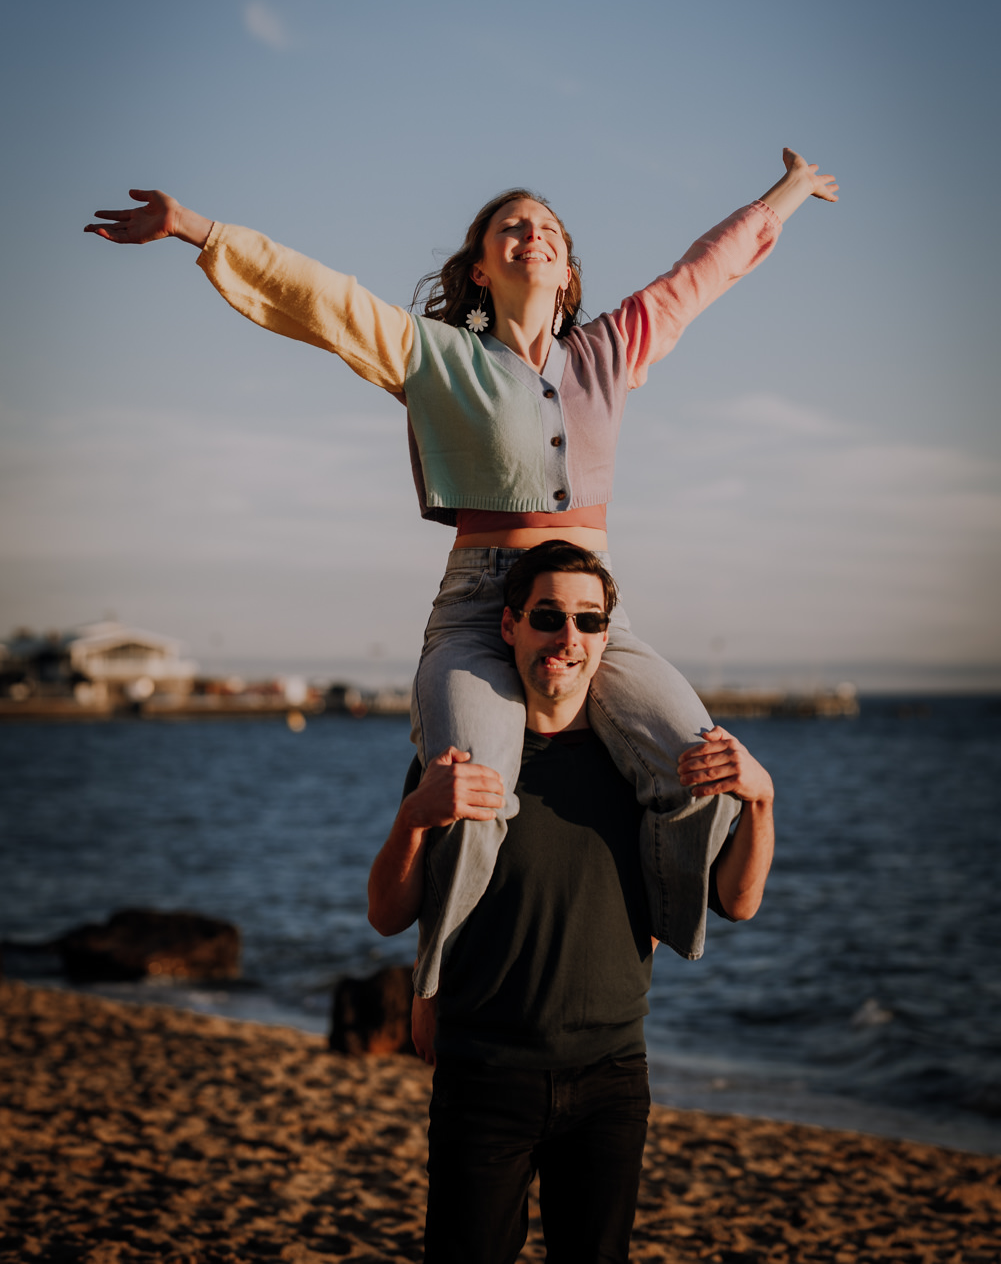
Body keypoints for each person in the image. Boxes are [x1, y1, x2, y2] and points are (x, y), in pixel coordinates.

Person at [85, 147, 833, 993]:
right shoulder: (433, 354)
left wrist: (791, 190)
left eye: (548, 228)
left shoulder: (611, 349)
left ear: (568, 272)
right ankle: (443, 986)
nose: (533, 233)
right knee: (472, 788)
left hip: (594, 613)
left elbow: (705, 270)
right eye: (510, 226)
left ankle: (647, 936)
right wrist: (194, 227)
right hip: (482, 608)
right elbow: (320, 299)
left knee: (700, 763)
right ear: (480, 266)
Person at [367, 540, 776, 1264]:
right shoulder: (460, 760)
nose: (568, 639)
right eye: (548, 617)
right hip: (483, 1070)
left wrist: (762, 801)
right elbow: (387, 913)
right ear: (509, 626)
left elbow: (735, 904)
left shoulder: (639, 771)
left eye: (588, 623)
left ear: (606, 638)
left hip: (611, 1076)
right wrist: (413, 818)